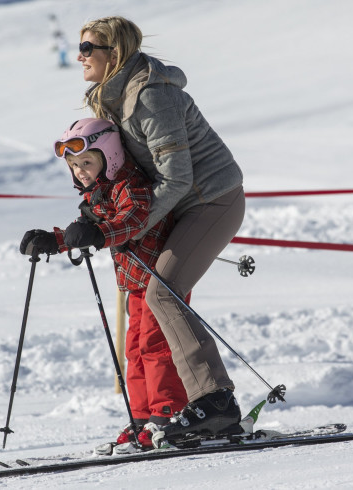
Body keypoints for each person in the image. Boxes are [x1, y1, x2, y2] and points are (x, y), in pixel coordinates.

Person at [75, 16, 246, 446]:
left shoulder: (150, 96)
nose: (80, 57)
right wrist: (89, 219)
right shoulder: (112, 99)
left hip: (212, 200)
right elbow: (118, 173)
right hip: (181, 208)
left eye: (87, 48)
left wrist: (120, 230)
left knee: (162, 291)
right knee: (151, 300)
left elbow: (177, 179)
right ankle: (159, 413)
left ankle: (215, 403)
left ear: (113, 54)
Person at [19, 118, 188, 453]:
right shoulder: (99, 192)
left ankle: (168, 414)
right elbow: (90, 227)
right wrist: (54, 242)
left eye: (86, 162)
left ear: (108, 156)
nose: (80, 171)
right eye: (74, 166)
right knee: (135, 351)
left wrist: (98, 234)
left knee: (157, 349)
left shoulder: (131, 185)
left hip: (158, 278)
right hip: (135, 284)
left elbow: (133, 219)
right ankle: (142, 418)